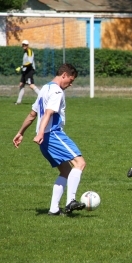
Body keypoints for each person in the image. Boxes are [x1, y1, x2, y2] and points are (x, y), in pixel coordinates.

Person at [13, 63, 86, 216]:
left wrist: (20, 132)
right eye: (71, 80)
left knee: (65, 170)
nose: (71, 84)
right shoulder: (57, 91)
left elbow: (33, 114)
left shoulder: (45, 88)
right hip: (53, 134)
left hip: (45, 140)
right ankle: (71, 201)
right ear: (64, 75)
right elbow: (48, 113)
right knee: (80, 163)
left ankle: (54, 209)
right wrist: (41, 133)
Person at [15, 40, 40, 105]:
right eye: (23, 44)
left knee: (31, 85)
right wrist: (22, 68)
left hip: (29, 70)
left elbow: (30, 62)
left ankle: (42, 97)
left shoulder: (29, 51)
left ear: (27, 45)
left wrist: (20, 67)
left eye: (25, 45)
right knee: (21, 84)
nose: (24, 46)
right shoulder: (25, 52)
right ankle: (18, 102)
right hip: (25, 70)